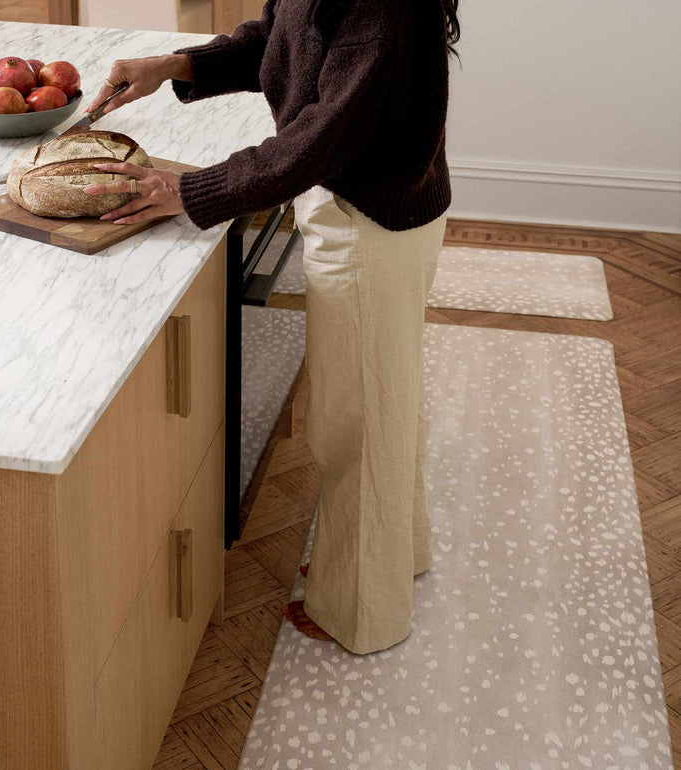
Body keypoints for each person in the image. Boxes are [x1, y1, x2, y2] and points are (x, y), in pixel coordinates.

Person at [84, 0, 461, 655]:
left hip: (370, 222)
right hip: (371, 207)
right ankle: (392, 555)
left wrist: (190, 191)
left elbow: (324, 134)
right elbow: (286, 38)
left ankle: (362, 612)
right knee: (382, 402)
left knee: (356, 425)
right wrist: (173, 64)